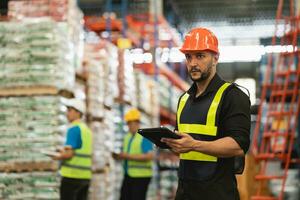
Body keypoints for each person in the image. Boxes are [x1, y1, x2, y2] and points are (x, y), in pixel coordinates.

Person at [161, 27, 250, 200]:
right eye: (189, 57)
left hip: (217, 194)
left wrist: (194, 145)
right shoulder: (184, 99)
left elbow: (239, 146)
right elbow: (184, 148)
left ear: (215, 58)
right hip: (185, 193)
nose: (193, 62)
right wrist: (171, 144)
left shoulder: (233, 96)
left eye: (200, 56)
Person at [51, 98, 92, 200]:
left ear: (78, 113)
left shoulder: (73, 129)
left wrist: (57, 156)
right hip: (85, 177)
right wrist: (63, 151)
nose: (67, 113)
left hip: (72, 177)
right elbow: (79, 149)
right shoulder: (86, 130)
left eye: (70, 110)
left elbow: (70, 154)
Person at [113, 108, 154, 200]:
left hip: (141, 177)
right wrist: (119, 156)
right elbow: (126, 154)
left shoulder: (144, 137)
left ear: (136, 122)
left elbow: (149, 156)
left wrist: (127, 156)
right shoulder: (127, 137)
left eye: (130, 123)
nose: (129, 126)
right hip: (128, 175)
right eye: (127, 123)